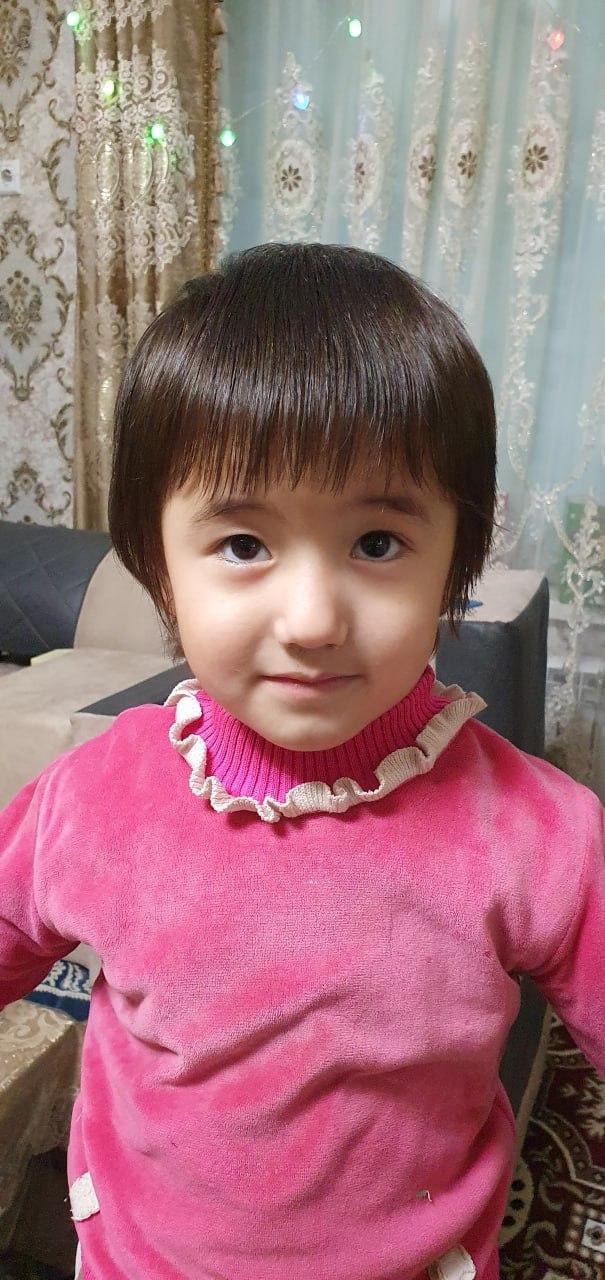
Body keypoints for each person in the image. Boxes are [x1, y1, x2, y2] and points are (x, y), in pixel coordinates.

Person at [0, 242, 603, 1280]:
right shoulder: (95, 795)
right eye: (243, 545)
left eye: (376, 543)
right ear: (158, 566)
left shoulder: (537, 831)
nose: (314, 619)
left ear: (453, 560)